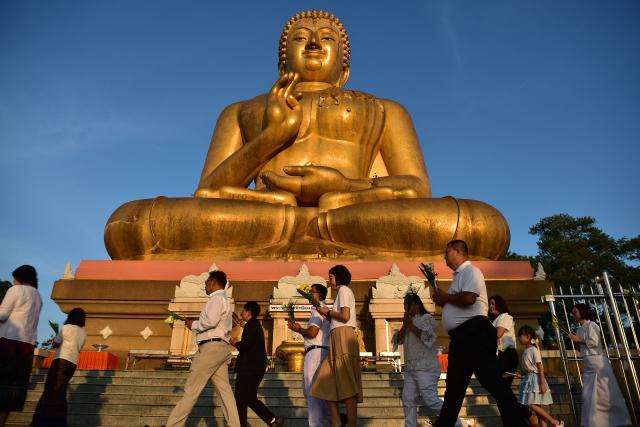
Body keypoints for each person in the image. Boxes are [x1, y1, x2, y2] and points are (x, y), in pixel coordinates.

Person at [104, 10, 510, 262]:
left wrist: (346, 187)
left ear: (344, 68)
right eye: (301, 38)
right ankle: (307, 223)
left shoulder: (384, 108)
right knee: (131, 223)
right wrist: (276, 133)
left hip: (349, 210)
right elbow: (208, 191)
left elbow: (415, 188)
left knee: (481, 224)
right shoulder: (242, 110)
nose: (314, 42)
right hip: (270, 212)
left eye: (326, 39)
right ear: (284, 61)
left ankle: (312, 222)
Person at [432, 240, 529, 427]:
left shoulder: (471, 271)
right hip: (461, 337)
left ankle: (518, 418)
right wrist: (443, 300)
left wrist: (446, 297)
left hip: (474, 333)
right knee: (455, 388)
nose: (444, 256)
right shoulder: (458, 277)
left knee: (492, 382)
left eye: (447, 252)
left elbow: (469, 298)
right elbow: (457, 301)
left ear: (458, 252)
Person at [165, 270, 240, 427]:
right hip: (222, 348)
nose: (205, 286)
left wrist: (194, 324)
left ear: (213, 282)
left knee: (191, 390)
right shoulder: (223, 299)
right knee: (225, 392)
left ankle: (172, 425)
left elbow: (210, 321)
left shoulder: (216, 299)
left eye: (206, 282)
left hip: (211, 348)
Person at [398, 293, 464, 427]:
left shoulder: (427, 318)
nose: (405, 307)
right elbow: (398, 340)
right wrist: (405, 325)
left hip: (425, 367)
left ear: (416, 304)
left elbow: (427, 338)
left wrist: (409, 325)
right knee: (408, 399)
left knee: (430, 400)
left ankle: (457, 423)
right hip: (411, 368)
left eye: (407, 304)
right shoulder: (408, 322)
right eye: (404, 304)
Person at [312, 265, 362, 427]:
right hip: (337, 337)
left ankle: (351, 424)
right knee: (324, 383)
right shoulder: (341, 293)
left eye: (331, 277)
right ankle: (337, 422)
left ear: (339, 277)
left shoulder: (344, 291)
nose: (329, 280)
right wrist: (326, 314)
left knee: (347, 385)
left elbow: (345, 316)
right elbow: (338, 318)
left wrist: (327, 312)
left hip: (343, 337)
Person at [569, 304, 631, 427]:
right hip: (588, 363)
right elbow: (581, 348)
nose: (573, 314)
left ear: (582, 312)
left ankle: (620, 420)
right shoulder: (579, 329)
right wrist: (576, 341)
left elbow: (594, 342)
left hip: (597, 362)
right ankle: (593, 422)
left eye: (575, 312)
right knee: (589, 394)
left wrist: (578, 339)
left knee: (607, 393)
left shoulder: (592, 325)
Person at [0, 265, 43, 427]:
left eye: (14, 278)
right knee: (10, 393)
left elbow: (3, 315)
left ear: (20, 278)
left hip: (8, 342)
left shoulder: (15, 290)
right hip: (26, 346)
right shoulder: (38, 296)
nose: (13, 282)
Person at [32, 308, 87, 427]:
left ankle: (45, 420)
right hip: (72, 363)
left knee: (52, 389)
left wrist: (55, 341)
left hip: (61, 360)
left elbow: (56, 343)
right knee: (61, 390)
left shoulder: (67, 328)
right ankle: (58, 420)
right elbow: (80, 347)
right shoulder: (83, 333)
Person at [230, 302, 281, 426]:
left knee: (241, 399)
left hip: (249, 369)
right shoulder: (255, 325)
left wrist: (235, 343)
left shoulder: (251, 325)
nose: (241, 313)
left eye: (244, 310)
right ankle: (272, 419)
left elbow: (246, 346)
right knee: (250, 398)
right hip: (255, 368)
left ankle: (242, 424)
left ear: (248, 312)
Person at [287, 284, 331, 427]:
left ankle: (316, 423)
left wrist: (299, 329)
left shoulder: (318, 310)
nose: (310, 295)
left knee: (312, 390)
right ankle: (326, 421)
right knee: (317, 390)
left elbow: (312, 333)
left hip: (316, 352)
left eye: (312, 292)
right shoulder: (322, 310)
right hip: (321, 350)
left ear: (321, 295)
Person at [517, 325, 563, 427]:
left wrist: (542, 383)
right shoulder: (525, 351)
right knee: (537, 407)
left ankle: (555, 422)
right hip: (528, 379)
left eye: (521, 335)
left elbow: (540, 367)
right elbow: (527, 368)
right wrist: (522, 374)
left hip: (535, 380)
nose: (519, 338)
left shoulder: (534, 350)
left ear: (528, 336)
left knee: (530, 404)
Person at [488, 295, 518, 386]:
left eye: (493, 304)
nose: (490, 306)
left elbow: (498, 334)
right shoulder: (494, 320)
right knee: (499, 384)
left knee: (504, 383)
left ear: (499, 304)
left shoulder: (505, 316)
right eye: (489, 304)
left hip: (507, 354)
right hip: (499, 354)